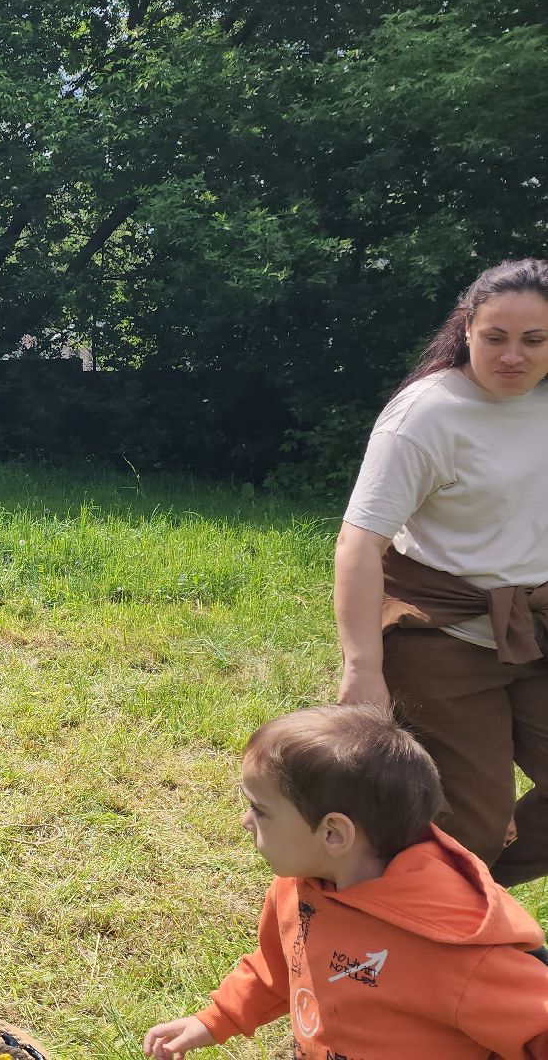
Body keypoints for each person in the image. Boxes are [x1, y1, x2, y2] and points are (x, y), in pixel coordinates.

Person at [142, 705, 548, 1059]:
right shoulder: (298, 887)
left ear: (334, 834)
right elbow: (281, 965)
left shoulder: (455, 947)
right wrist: (215, 1020)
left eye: (260, 810)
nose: (246, 821)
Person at [334, 258, 548, 886]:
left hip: (535, 630)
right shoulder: (427, 416)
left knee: (467, 852)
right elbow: (359, 543)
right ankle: (435, 900)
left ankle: (458, 900)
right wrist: (362, 670)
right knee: (470, 825)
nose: (513, 355)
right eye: (495, 338)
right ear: (468, 331)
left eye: (535, 340)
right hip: (441, 635)